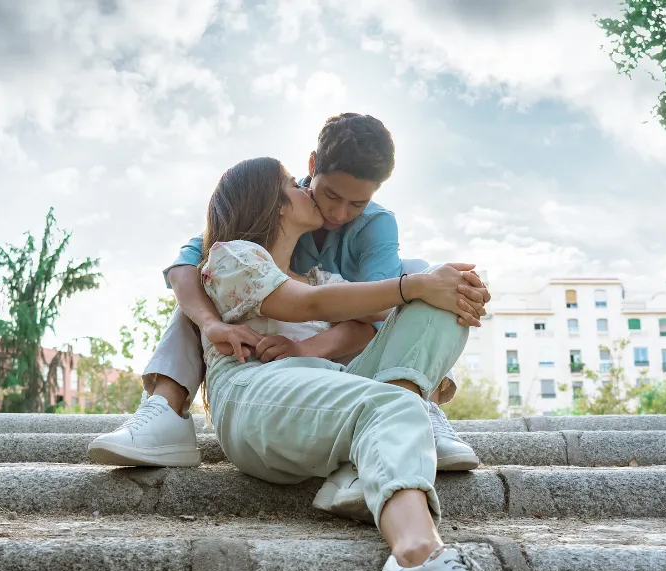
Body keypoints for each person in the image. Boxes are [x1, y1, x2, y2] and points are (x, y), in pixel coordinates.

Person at [173, 156, 551, 571]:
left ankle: (363, 468)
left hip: (327, 386)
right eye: (293, 184)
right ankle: (417, 564)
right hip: (254, 392)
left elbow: (364, 322)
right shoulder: (233, 257)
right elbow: (304, 305)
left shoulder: (319, 276)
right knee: (393, 404)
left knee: (440, 308)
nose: (304, 188)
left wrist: (449, 287)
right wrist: (413, 284)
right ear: (274, 203)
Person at [88, 113, 489, 518]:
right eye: (330, 195)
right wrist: (212, 323)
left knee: (429, 279)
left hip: (336, 353)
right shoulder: (266, 207)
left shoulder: (374, 226)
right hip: (264, 345)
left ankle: (417, 404)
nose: (338, 213)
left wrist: (308, 346)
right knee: (200, 289)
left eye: (357, 203)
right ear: (312, 167)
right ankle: (165, 406)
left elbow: (373, 314)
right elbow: (190, 263)